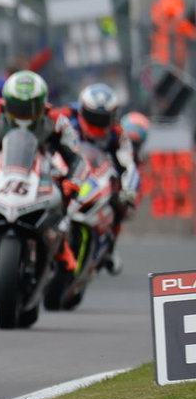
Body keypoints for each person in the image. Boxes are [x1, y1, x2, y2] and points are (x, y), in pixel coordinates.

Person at [0, 71, 85, 270]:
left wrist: (73, 181)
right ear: (6, 102)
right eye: (18, 107)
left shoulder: (56, 120)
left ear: (43, 104)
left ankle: (60, 243)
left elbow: (77, 158)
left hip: (42, 159)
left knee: (68, 191)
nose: (24, 114)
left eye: (31, 107)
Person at [64, 83, 138, 274]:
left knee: (122, 205)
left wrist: (128, 190)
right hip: (66, 169)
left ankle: (110, 248)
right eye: (92, 117)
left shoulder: (118, 134)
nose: (97, 123)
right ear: (82, 110)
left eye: (103, 118)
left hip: (101, 175)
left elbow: (129, 164)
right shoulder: (65, 117)